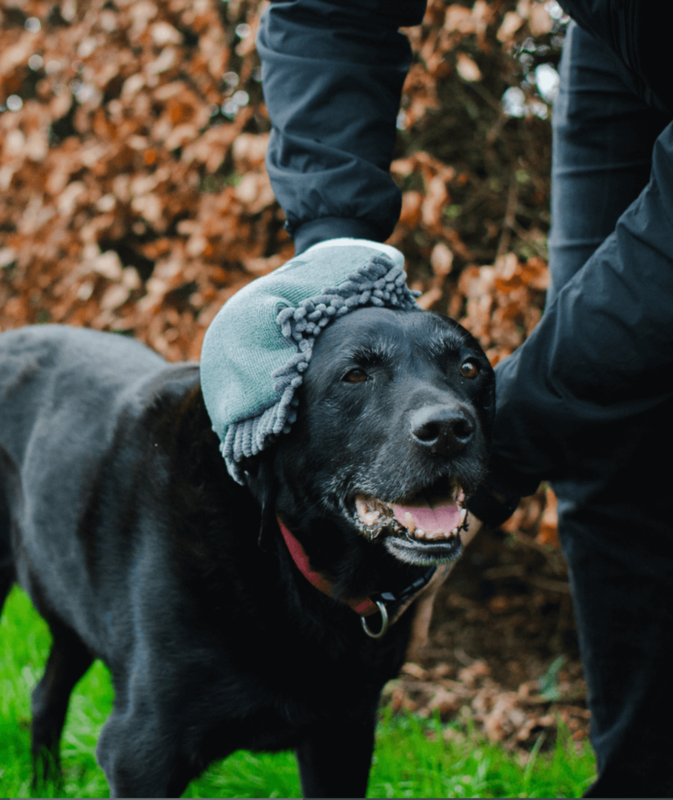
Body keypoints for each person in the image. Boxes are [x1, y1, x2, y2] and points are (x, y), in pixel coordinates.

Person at [200, 1, 673, 795]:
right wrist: (336, 263)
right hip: (615, 37)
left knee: (596, 377)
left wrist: (496, 451)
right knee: (606, 440)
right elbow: (331, 9)